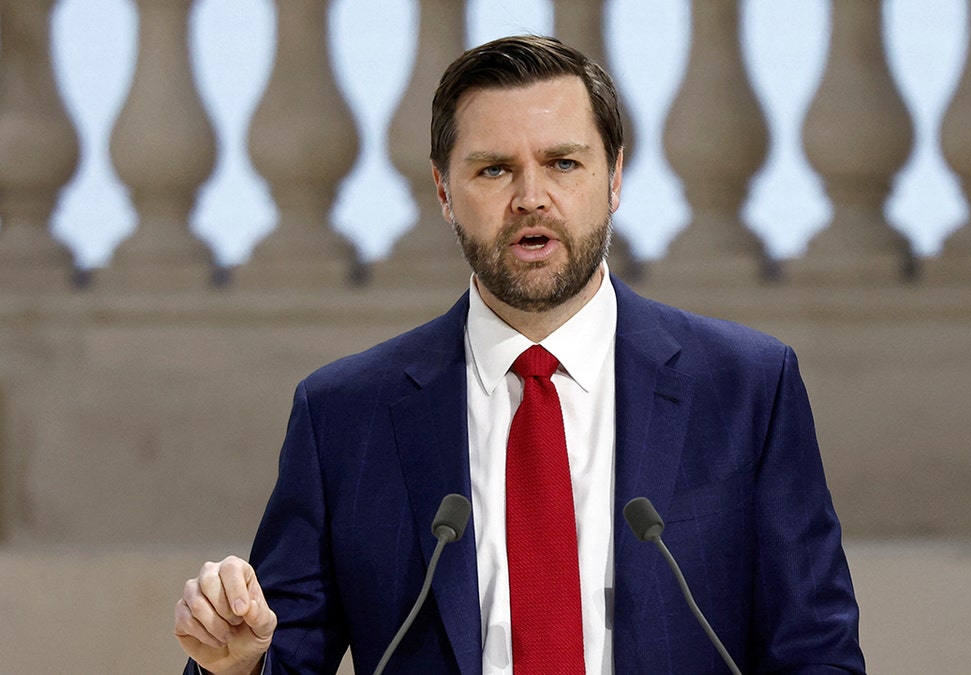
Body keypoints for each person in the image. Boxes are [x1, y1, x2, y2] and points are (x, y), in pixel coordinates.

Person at [173, 35, 866, 675]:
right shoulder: (344, 416)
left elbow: (816, 653)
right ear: (445, 192)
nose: (532, 198)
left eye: (563, 162)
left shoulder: (747, 389)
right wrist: (234, 664)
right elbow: (276, 653)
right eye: (495, 169)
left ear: (615, 177)